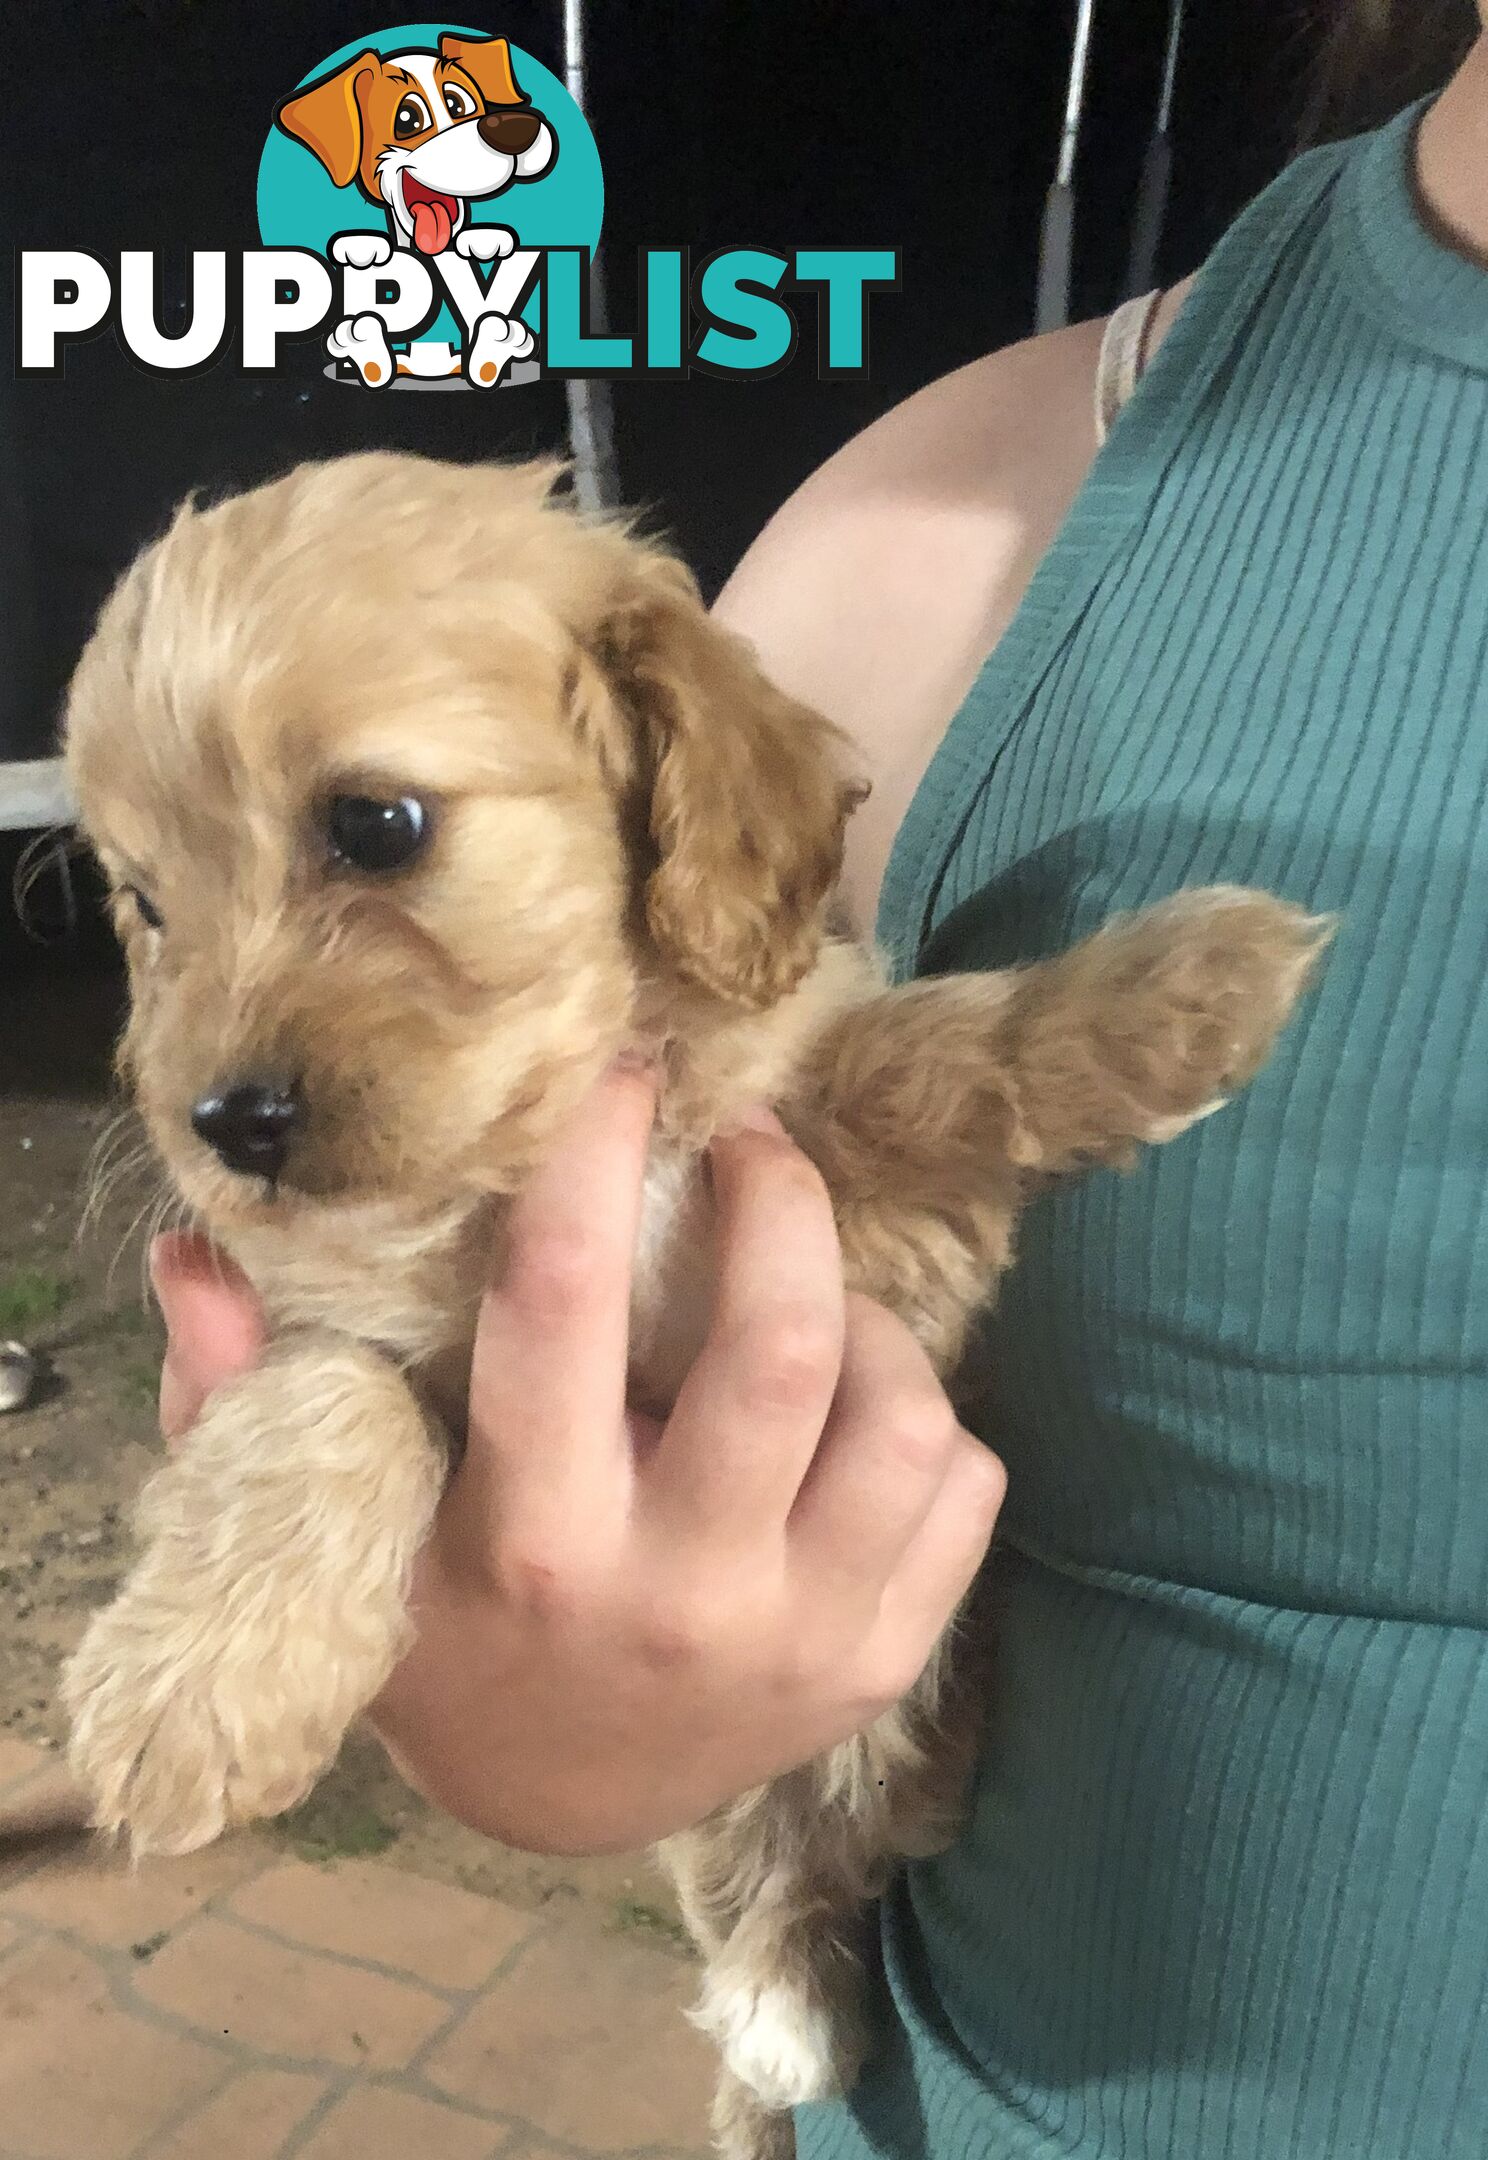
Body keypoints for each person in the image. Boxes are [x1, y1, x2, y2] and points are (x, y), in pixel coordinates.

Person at [151, 6, 1488, 2153]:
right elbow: (629, 1351)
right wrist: (545, 1730)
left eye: (376, 836)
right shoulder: (941, 536)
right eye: (138, 902)